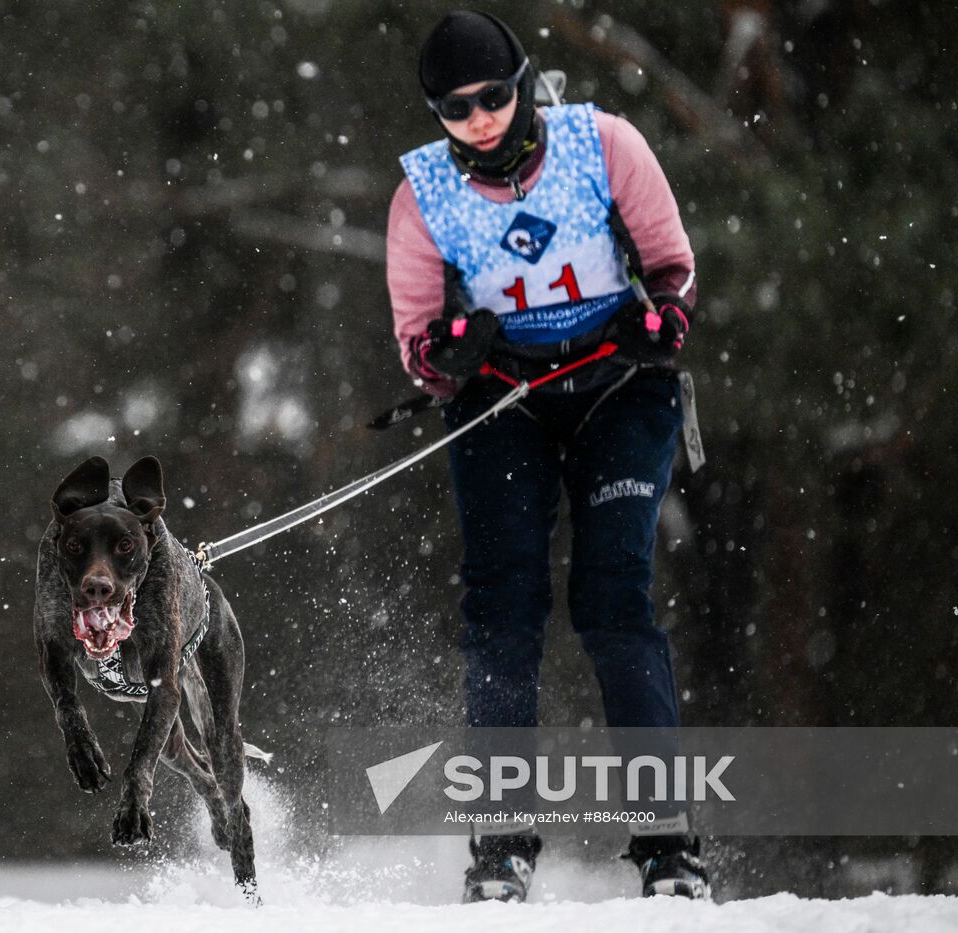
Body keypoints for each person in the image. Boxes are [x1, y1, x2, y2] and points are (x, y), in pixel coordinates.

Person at [385, 10, 710, 902]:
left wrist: (663, 317)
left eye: (494, 96)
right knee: (503, 609)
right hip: (507, 400)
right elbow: (417, 342)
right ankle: (502, 841)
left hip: (616, 387)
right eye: (457, 108)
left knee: (612, 598)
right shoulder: (421, 196)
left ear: (524, 83)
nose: (481, 118)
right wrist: (447, 353)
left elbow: (673, 264)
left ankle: (668, 844)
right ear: (436, 115)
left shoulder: (603, 143)